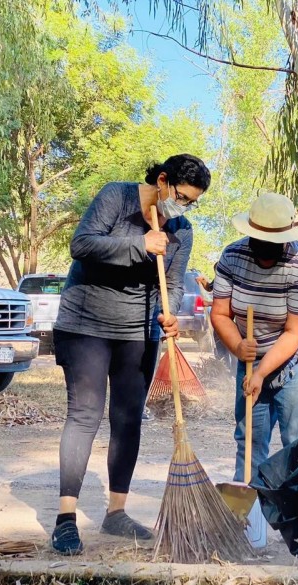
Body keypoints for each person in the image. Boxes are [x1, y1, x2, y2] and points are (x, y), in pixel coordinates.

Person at [50, 154, 210, 555]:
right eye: (183, 197)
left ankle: (116, 513)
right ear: (162, 180)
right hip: (84, 324)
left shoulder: (181, 231)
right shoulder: (116, 198)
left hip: (137, 332)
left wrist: (169, 315)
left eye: (192, 203)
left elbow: (170, 283)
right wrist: (139, 243)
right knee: (85, 415)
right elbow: (81, 245)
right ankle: (66, 518)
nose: (184, 208)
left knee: (127, 420)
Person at [210, 192, 298, 483]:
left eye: (273, 242)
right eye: (259, 239)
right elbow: (220, 314)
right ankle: (249, 517)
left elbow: (294, 331)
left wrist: (261, 373)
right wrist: (238, 346)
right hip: (251, 350)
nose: (265, 247)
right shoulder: (232, 257)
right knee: (250, 434)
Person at [196, 266, 237, 373]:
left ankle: (233, 372)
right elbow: (210, 287)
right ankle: (223, 370)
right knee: (220, 345)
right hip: (219, 320)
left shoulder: (232, 281)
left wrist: (208, 303)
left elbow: (229, 302)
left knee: (232, 347)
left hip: (230, 321)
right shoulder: (219, 278)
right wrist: (202, 281)